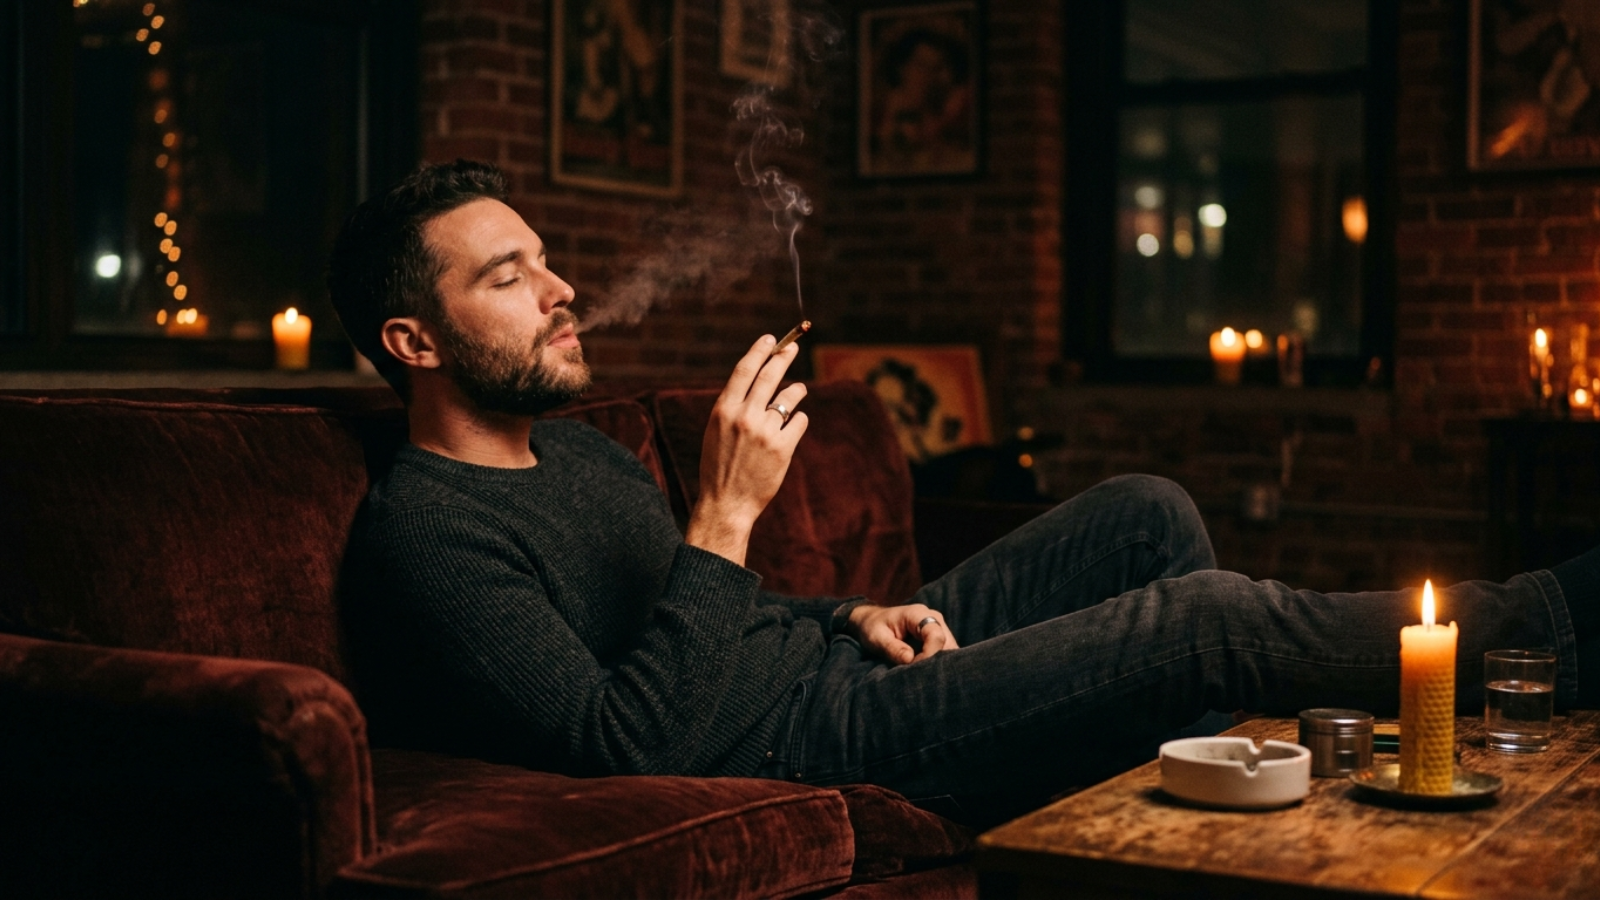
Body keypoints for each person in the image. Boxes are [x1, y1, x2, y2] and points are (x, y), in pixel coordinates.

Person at [329, 160, 1597, 827]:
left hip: (833, 678)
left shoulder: (583, 454)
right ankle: (1556, 622)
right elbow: (627, 748)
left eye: (546, 259)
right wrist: (724, 514)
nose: (558, 288)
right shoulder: (428, 539)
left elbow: (715, 621)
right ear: (415, 343)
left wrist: (842, 619)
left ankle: (1163, 806)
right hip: (794, 752)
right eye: (508, 274)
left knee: (1145, 508)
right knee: (1201, 615)